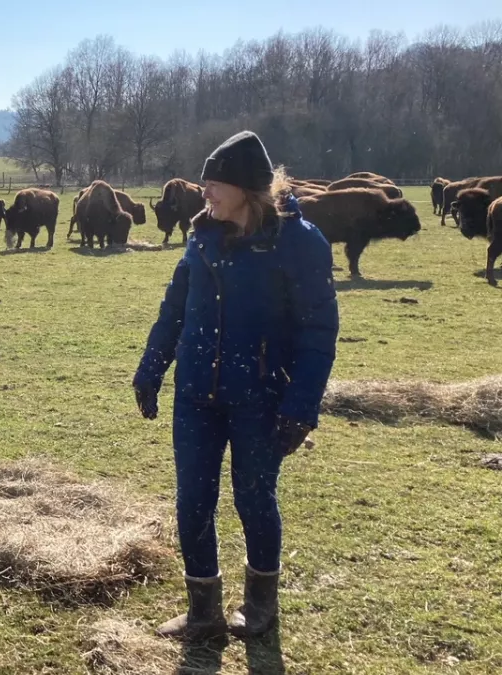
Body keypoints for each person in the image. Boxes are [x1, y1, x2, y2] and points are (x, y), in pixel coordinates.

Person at [132, 131, 339, 641]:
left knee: (254, 496)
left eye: (214, 184)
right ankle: (203, 611)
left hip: (261, 395)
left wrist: (301, 406)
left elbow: (318, 331)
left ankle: (260, 605)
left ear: (247, 187)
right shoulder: (201, 235)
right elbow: (175, 309)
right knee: (192, 501)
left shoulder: (297, 242)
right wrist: (151, 367)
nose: (204, 193)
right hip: (196, 393)